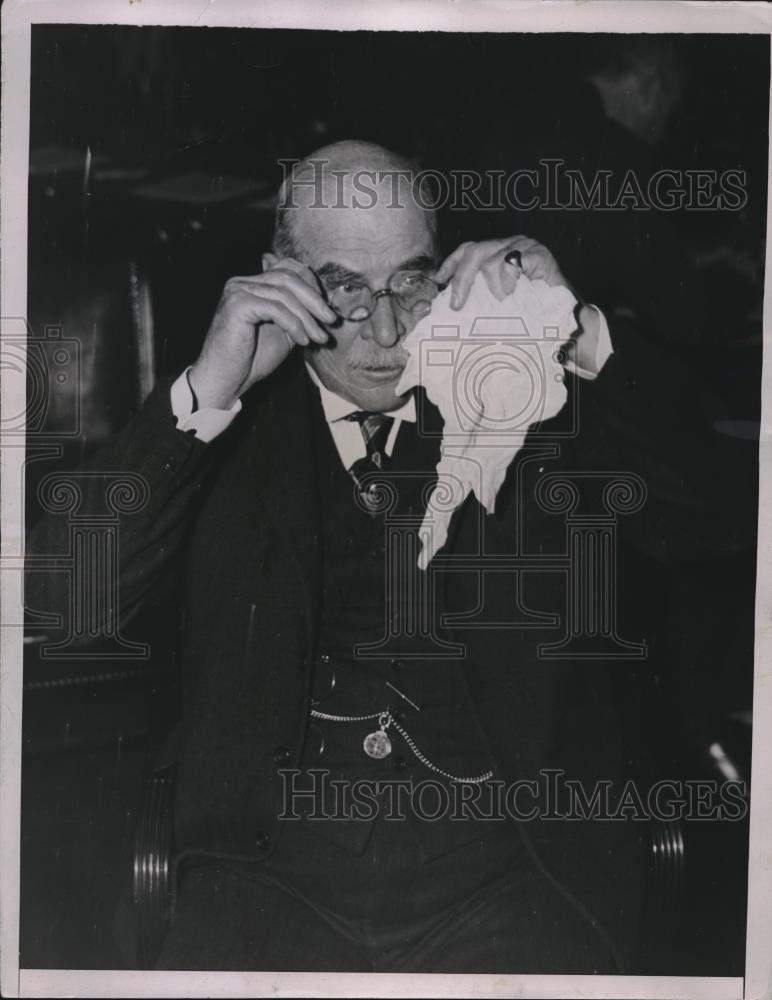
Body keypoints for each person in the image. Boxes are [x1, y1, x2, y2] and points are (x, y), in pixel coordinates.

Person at [25, 140, 751, 974]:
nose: (385, 329)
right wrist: (207, 392)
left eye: (410, 281)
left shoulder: (523, 399)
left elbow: (719, 520)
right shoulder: (224, 427)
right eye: (344, 287)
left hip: (515, 875)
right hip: (266, 883)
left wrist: (578, 330)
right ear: (280, 279)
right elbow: (60, 603)